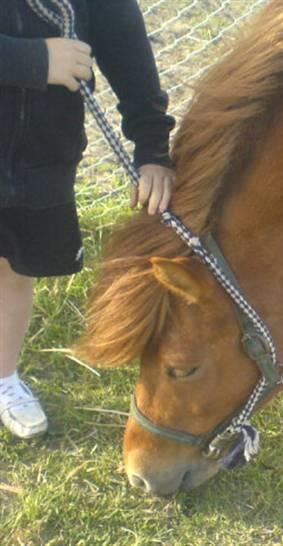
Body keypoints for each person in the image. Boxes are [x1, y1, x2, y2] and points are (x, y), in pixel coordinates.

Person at [0, 0, 175, 438]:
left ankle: (3, 377)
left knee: (12, 272)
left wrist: (152, 152)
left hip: (39, 164)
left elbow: (130, 56)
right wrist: (33, 60)